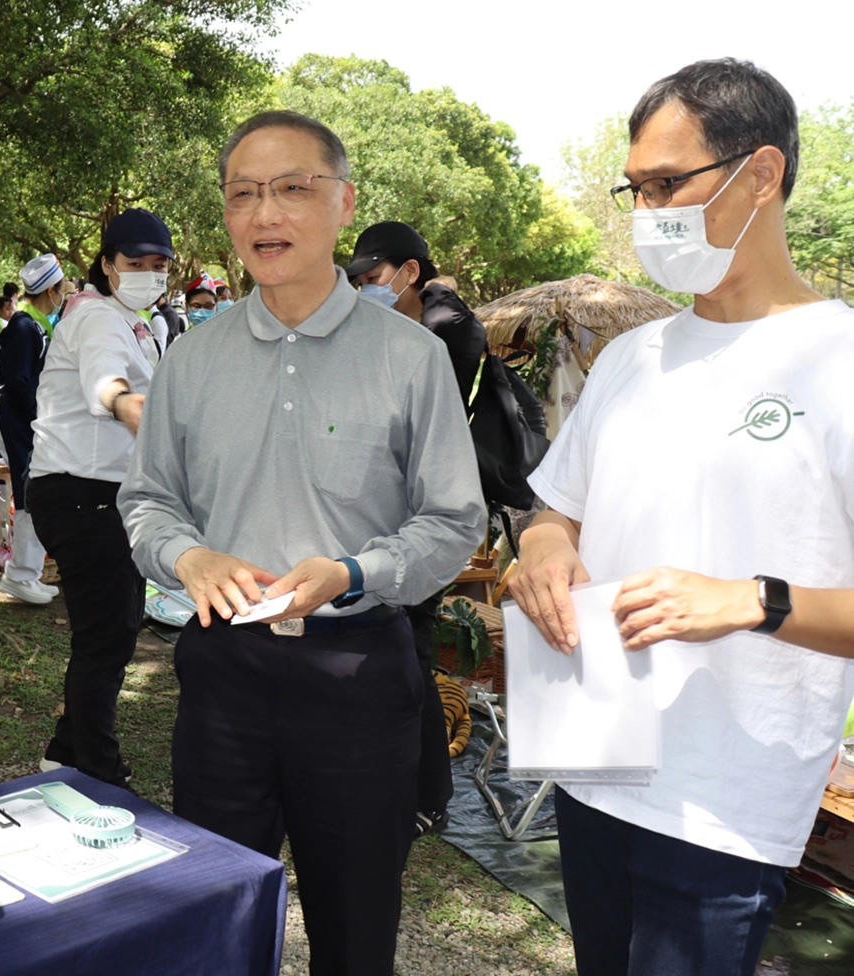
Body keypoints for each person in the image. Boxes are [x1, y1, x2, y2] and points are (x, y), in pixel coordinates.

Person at [119, 112, 484, 975]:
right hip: (223, 675)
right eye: (243, 194)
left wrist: (356, 572)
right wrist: (188, 558)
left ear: (342, 201)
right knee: (219, 920)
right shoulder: (192, 360)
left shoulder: (410, 356)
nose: (264, 213)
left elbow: (452, 519)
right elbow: (147, 500)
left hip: (356, 675)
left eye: (292, 188)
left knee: (355, 932)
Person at [510, 59, 854, 976]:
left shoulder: (839, 362)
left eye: (670, 184)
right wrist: (543, 546)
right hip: (595, 765)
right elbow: (559, 508)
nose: (648, 211)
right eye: (638, 189)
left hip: (721, 809)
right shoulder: (632, 356)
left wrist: (755, 599)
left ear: (762, 173)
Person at [345, 219, 493, 838]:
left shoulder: (443, 332)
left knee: (412, 656)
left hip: (426, 524)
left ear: (410, 272)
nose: (362, 291)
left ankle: (428, 793)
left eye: (372, 278)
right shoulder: (421, 324)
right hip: (393, 517)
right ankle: (407, 784)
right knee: (401, 652)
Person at [29, 208, 174, 788]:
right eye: (134, 262)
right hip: (81, 493)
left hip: (106, 495)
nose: (147, 272)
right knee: (106, 636)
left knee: (112, 628)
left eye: (158, 264)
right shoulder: (98, 320)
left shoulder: (135, 318)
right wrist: (122, 403)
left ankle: (68, 749)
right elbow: (106, 384)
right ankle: (96, 766)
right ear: (107, 264)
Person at [0, 255, 64, 606]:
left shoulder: (33, 325)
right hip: (17, 419)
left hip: (23, 418)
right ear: (52, 290)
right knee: (27, 494)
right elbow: (17, 382)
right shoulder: (24, 327)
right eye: (62, 288)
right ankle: (20, 575)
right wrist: (39, 417)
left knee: (30, 494)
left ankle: (27, 573)